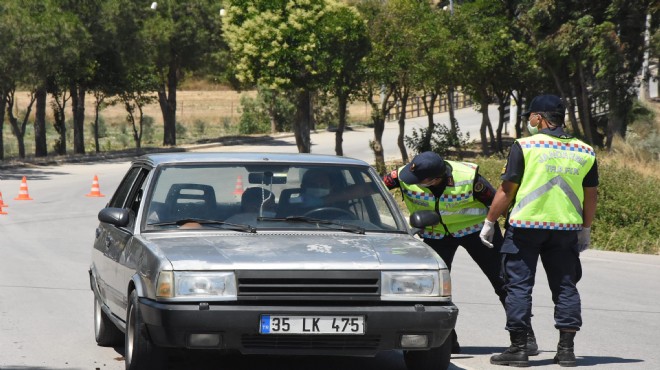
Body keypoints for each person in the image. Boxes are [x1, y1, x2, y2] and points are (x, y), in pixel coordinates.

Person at [480, 94, 598, 367]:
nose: (528, 122)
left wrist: (489, 222)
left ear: (539, 117)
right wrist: (586, 228)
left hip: (525, 227)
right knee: (566, 286)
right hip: (566, 228)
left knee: (519, 286)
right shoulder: (585, 150)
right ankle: (566, 351)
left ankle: (519, 349)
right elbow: (590, 195)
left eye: (529, 117)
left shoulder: (525, 146)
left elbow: (507, 189)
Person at [383, 151, 537, 355]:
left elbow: (497, 200)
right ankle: (446, 341)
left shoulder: (469, 178)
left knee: (504, 282)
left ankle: (524, 337)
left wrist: (506, 230)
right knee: (432, 289)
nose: (414, 183)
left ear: (436, 179)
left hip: (477, 232)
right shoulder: (405, 174)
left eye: (420, 181)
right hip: (435, 235)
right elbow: (373, 187)